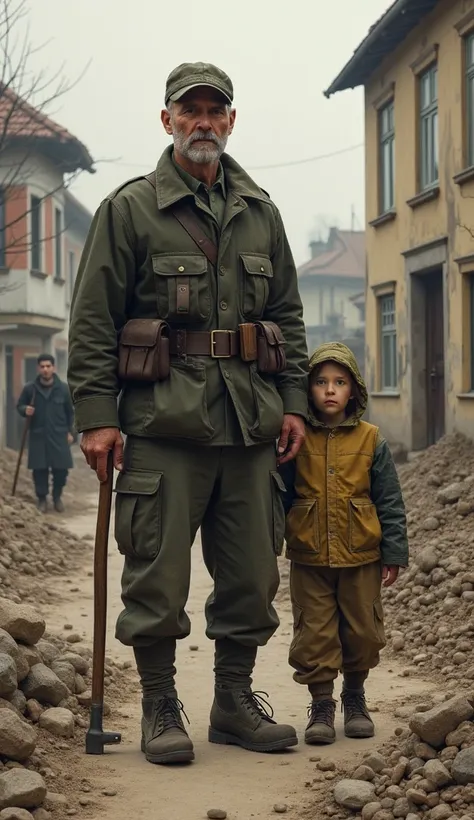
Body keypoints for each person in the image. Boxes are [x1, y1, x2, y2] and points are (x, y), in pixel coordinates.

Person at [67, 61, 309, 766]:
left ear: (232, 121)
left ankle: (233, 702)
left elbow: (287, 317)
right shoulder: (131, 208)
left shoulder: (261, 212)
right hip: (162, 426)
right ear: (166, 119)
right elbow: (93, 321)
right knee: (157, 575)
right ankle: (159, 706)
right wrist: (96, 416)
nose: (203, 122)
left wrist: (294, 402)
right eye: (189, 109)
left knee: (252, 575)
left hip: (249, 426)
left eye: (215, 110)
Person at [280, 342, 408, 745]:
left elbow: (389, 500)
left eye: (340, 382)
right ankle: (321, 705)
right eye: (320, 382)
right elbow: (280, 496)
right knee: (314, 633)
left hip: (362, 558)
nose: (330, 390)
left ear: (354, 389)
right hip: (309, 557)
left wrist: (394, 553)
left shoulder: (372, 439)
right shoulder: (294, 437)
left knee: (363, 631)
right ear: (308, 389)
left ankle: (355, 698)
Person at [17, 353, 75, 513]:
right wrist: (25, 410)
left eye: (48, 366)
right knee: (39, 470)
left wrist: (71, 432)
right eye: (42, 367)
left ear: (53, 367)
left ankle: (57, 497)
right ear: (38, 368)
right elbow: (20, 405)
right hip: (38, 435)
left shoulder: (63, 389)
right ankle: (42, 499)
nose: (45, 370)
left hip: (59, 435)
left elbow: (71, 413)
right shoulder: (30, 389)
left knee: (61, 470)